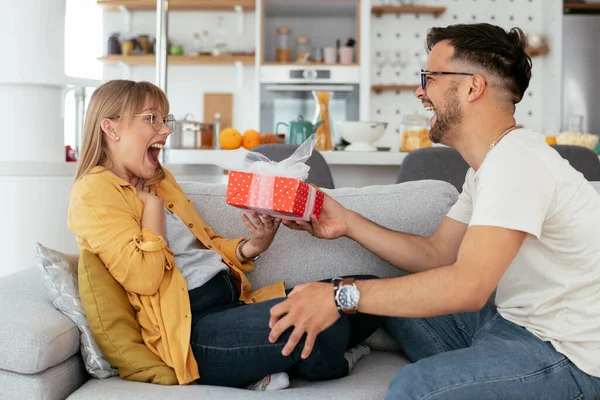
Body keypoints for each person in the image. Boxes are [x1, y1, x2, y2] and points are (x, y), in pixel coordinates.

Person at [269, 23, 600, 399]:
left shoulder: (516, 163)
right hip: (512, 323)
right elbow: (436, 254)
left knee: (413, 387)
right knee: (385, 296)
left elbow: (468, 286)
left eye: (429, 77)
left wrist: (339, 296)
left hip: (569, 353)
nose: (420, 91)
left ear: (473, 87)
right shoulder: (489, 167)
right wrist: (347, 221)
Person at [67, 80, 382, 390]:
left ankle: (272, 367)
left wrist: (252, 247)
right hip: (194, 330)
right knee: (310, 325)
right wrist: (152, 209)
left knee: (363, 292)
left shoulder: (160, 181)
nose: (165, 131)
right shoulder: (93, 193)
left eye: (165, 120)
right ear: (110, 128)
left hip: (235, 305)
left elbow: (205, 244)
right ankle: (330, 360)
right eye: (152, 119)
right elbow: (145, 278)